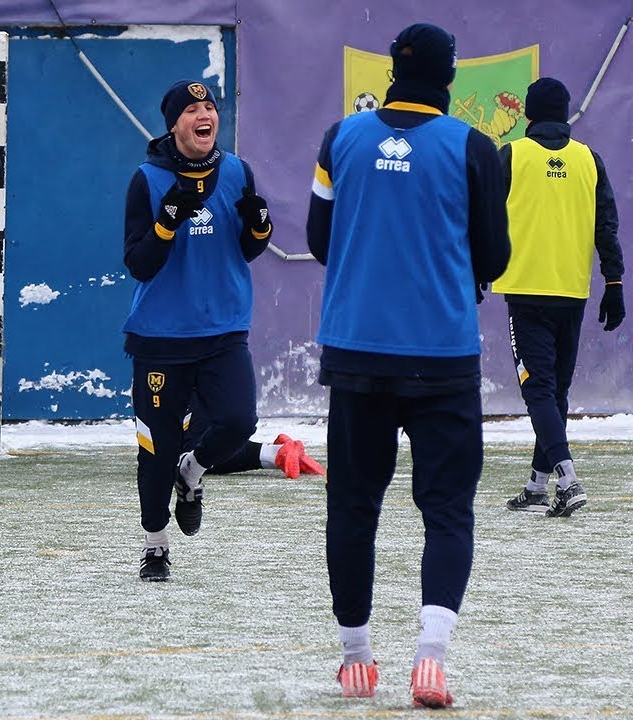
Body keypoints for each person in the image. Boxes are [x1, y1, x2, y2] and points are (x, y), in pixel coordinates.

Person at [306, 24, 510, 708]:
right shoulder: (475, 147)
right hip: (443, 355)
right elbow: (495, 256)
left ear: (392, 72)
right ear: (449, 77)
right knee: (447, 510)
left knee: (353, 507)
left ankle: (357, 659)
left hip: (358, 352)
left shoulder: (341, 139)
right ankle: (431, 659)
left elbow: (316, 237)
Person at [122, 79, 276, 583]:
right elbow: (140, 264)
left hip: (224, 330)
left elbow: (247, 249)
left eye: (209, 106)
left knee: (237, 421)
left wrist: (260, 228)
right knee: (156, 450)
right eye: (192, 109)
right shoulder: (146, 180)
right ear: (174, 124)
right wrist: (166, 222)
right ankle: (155, 546)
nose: (204, 114)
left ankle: (194, 472)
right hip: (161, 339)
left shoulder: (237, 171)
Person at [494, 77, 622, 518]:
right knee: (556, 392)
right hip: (573, 292)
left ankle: (568, 480)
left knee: (539, 392)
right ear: (566, 113)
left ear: (528, 115)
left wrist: (475, 270)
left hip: (526, 291)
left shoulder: (511, 155)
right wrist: (615, 284)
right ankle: (537, 487)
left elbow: (482, 218)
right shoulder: (589, 159)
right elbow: (606, 225)